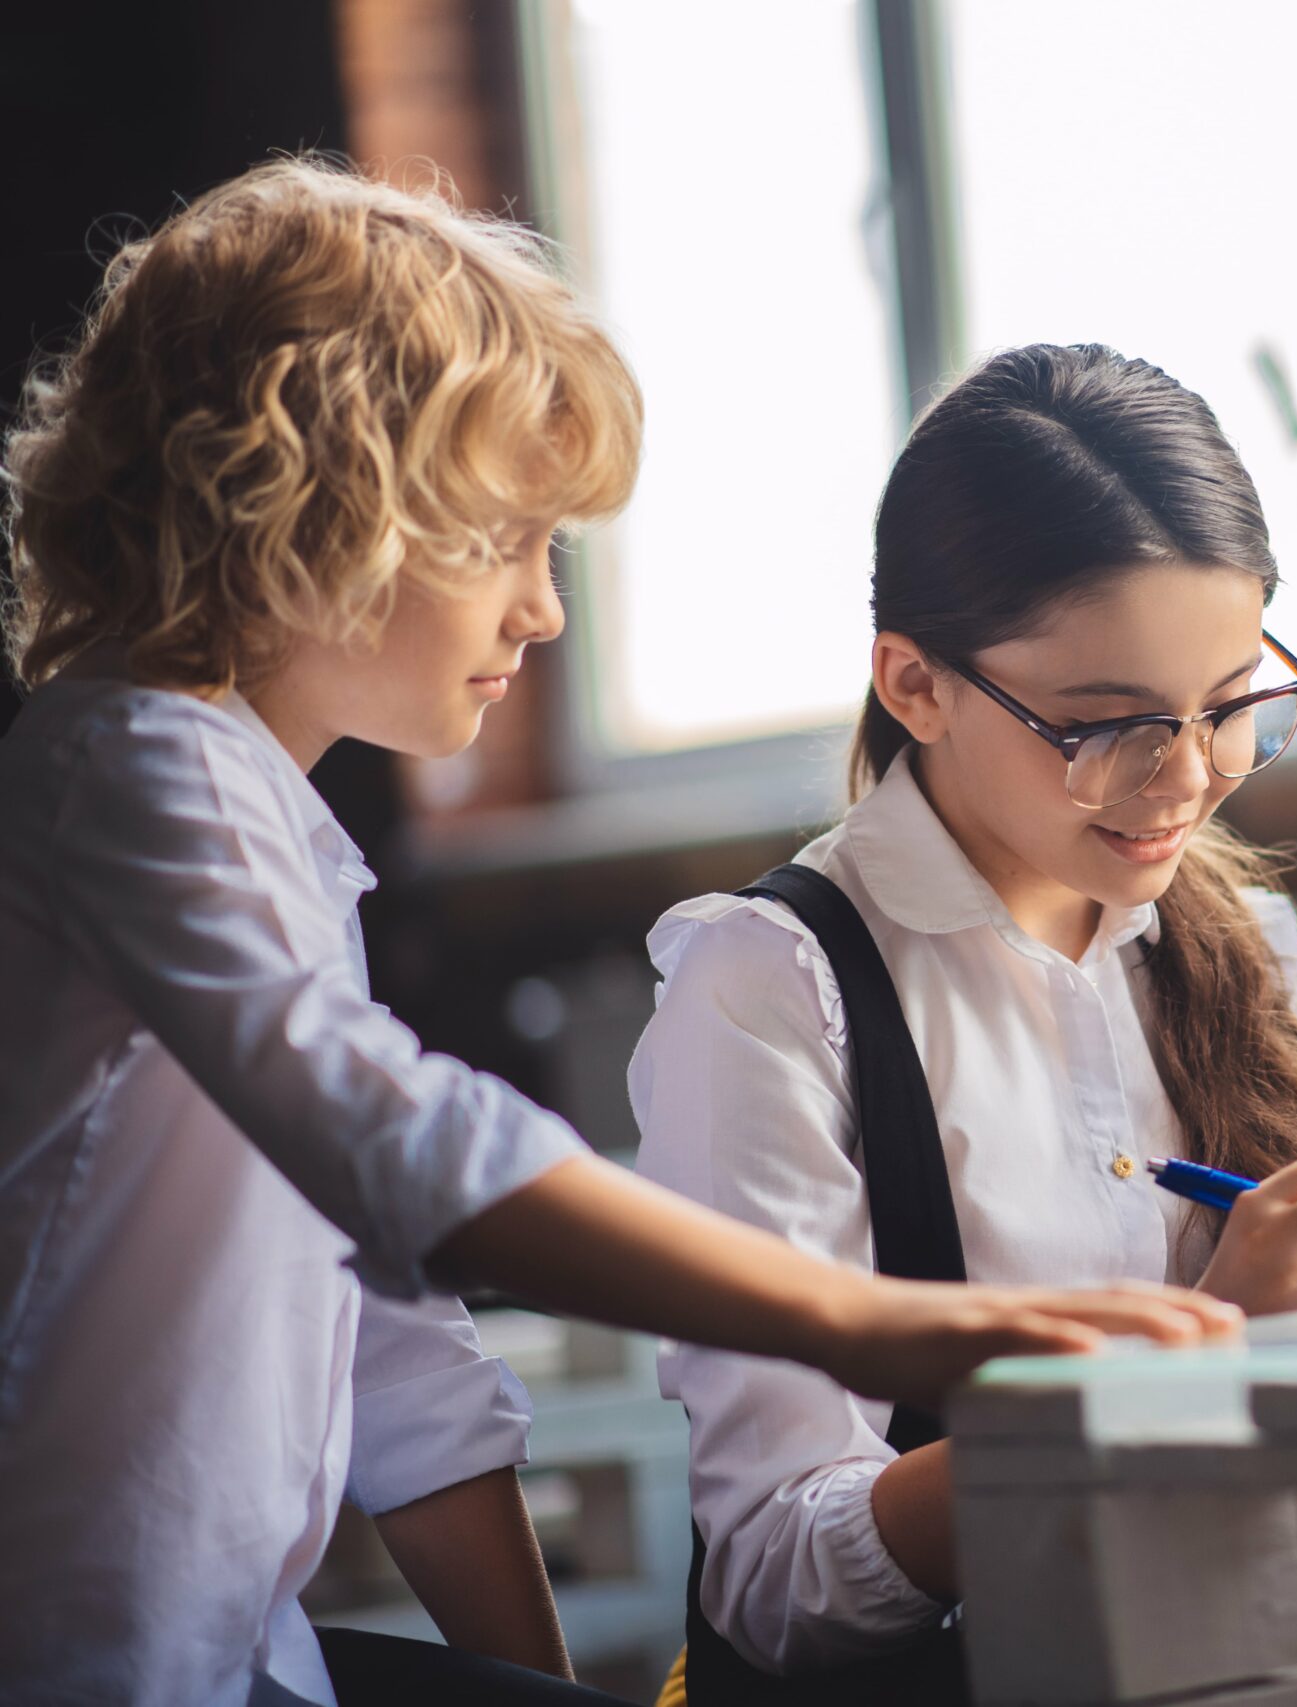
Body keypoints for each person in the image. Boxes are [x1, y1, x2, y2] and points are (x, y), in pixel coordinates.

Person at [0, 161, 1230, 1707]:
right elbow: (416, 1152)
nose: (542, 610)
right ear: (305, 501)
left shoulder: (276, 830)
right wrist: (910, 1321)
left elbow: (400, 1357)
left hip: (242, 1662)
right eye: (502, 537)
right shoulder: (127, 764)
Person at [631, 344, 1297, 1700]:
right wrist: (1185, 1362)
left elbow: (1288, 1424)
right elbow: (780, 1587)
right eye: (1111, 724)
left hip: (1208, 1610)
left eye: (1229, 707)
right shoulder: (771, 982)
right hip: (972, 1664)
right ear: (914, 684)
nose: (1189, 780)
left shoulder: (1229, 940)